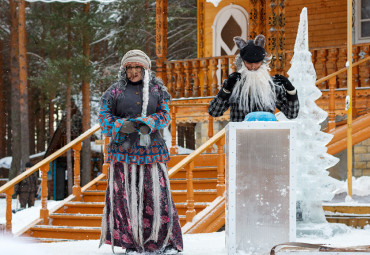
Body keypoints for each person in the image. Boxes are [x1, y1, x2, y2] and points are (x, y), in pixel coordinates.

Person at [98, 49, 183, 254]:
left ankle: (163, 242)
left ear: (145, 69)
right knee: (126, 198)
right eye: (130, 68)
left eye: (138, 67)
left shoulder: (157, 90)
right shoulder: (114, 91)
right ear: (124, 70)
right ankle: (132, 243)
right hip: (123, 153)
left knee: (157, 196)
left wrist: (150, 123)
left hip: (152, 152)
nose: (134, 71)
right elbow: (103, 117)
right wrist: (120, 125)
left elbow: (165, 114)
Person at [208, 34, 299, 121]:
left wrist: (291, 91)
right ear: (242, 62)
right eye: (249, 63)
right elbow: (214, 112)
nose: (253, 66)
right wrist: (226, 90)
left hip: (266, 135)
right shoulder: (234, 84)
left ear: (263, 62)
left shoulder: (272, 85)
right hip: (240, 135)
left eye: (257, 62)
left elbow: (291, 114)